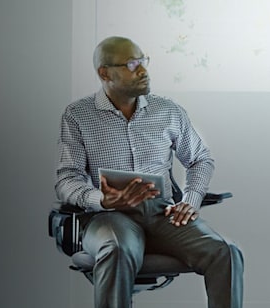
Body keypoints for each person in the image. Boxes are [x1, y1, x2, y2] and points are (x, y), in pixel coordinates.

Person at [56, 36, 243, 308]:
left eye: (144, 61)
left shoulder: (168, 111)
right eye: (132, 64)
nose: (143, 70)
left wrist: (190, 201)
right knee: (117, 249)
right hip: (108, 216)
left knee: (225, 251)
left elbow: (200, 159)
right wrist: (102, 199)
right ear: (104, 73)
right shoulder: (78, 115)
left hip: (161, 213)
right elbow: (66, 179)